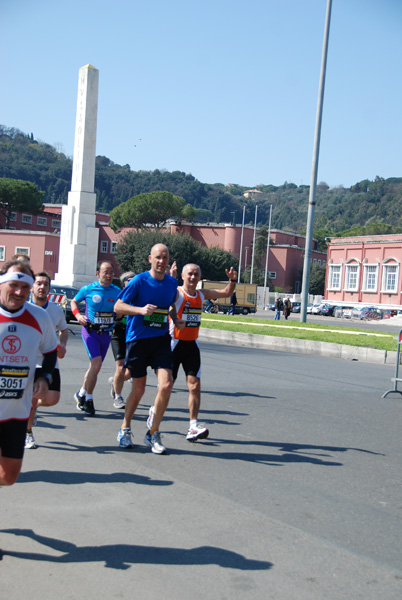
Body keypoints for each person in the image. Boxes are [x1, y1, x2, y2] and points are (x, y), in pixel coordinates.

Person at [147, 263, 237, 441]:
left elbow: (226, 292)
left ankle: (193, 426)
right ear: (182, 275)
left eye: (196, 274)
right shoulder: (177, 291)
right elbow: (169, 304)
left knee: (195, 386)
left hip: (191, 346)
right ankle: (154, 411)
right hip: (173, 344)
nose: (193, 277)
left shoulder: (201, 294)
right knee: (166, 386)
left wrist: (232, 280)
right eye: (190, 274)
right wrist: (174, 317)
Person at [114, 244, 185, 454]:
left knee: (166, 384)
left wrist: (175, 318)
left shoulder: (172, 283)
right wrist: (139, 310)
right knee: (139, 390)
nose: (161, 261)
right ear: (150, 259)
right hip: (138, 341)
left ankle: (153, 431)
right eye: (158, 257)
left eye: (165, 257)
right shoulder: (139, 281)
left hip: (161, 339)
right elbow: (118, 307)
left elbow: (169, 305)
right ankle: (124, 428)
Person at [0, 260, 58, 486]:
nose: (19, 292)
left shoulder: (39, 317)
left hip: (17, 412)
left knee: (8, 477)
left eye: (25, 287)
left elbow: (50, 352)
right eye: (14, 285)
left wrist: (45, 377)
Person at [25, 272, 69, 449]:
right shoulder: (23, 308)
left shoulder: (56, 310)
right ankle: (27, 434)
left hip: (50, 361)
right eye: (39, 284)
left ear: (49, 289)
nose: (42, 287)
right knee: (33, 397)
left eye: (45, 284)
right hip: (29, 362)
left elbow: (64, 330)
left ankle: (30, 407)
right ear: (32, 287)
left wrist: (63, 345)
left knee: (53, 398)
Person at [71, 261, 121, 415]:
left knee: (94, 368)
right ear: (98, 273)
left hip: (106, 333)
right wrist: (78, 315)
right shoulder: (89, 289)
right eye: (106, 272)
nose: (109, 275)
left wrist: (119, 314)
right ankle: (89, 399)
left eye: (111, 272)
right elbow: (74, 301)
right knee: (97, 365)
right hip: (90, 331)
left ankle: (80, 394)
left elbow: (121, 309)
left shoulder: (117, 291)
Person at [108, 271, 135, 409]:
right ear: (124, 283)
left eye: (134, 279)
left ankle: (115, 381)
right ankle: (118, 397)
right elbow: (118, 313)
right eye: (129, 279)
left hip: (132, 336)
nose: (132, 281)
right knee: (120, 367)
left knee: (129, 372)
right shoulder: (121, 296)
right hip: (118, 334)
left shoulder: (139, 296)